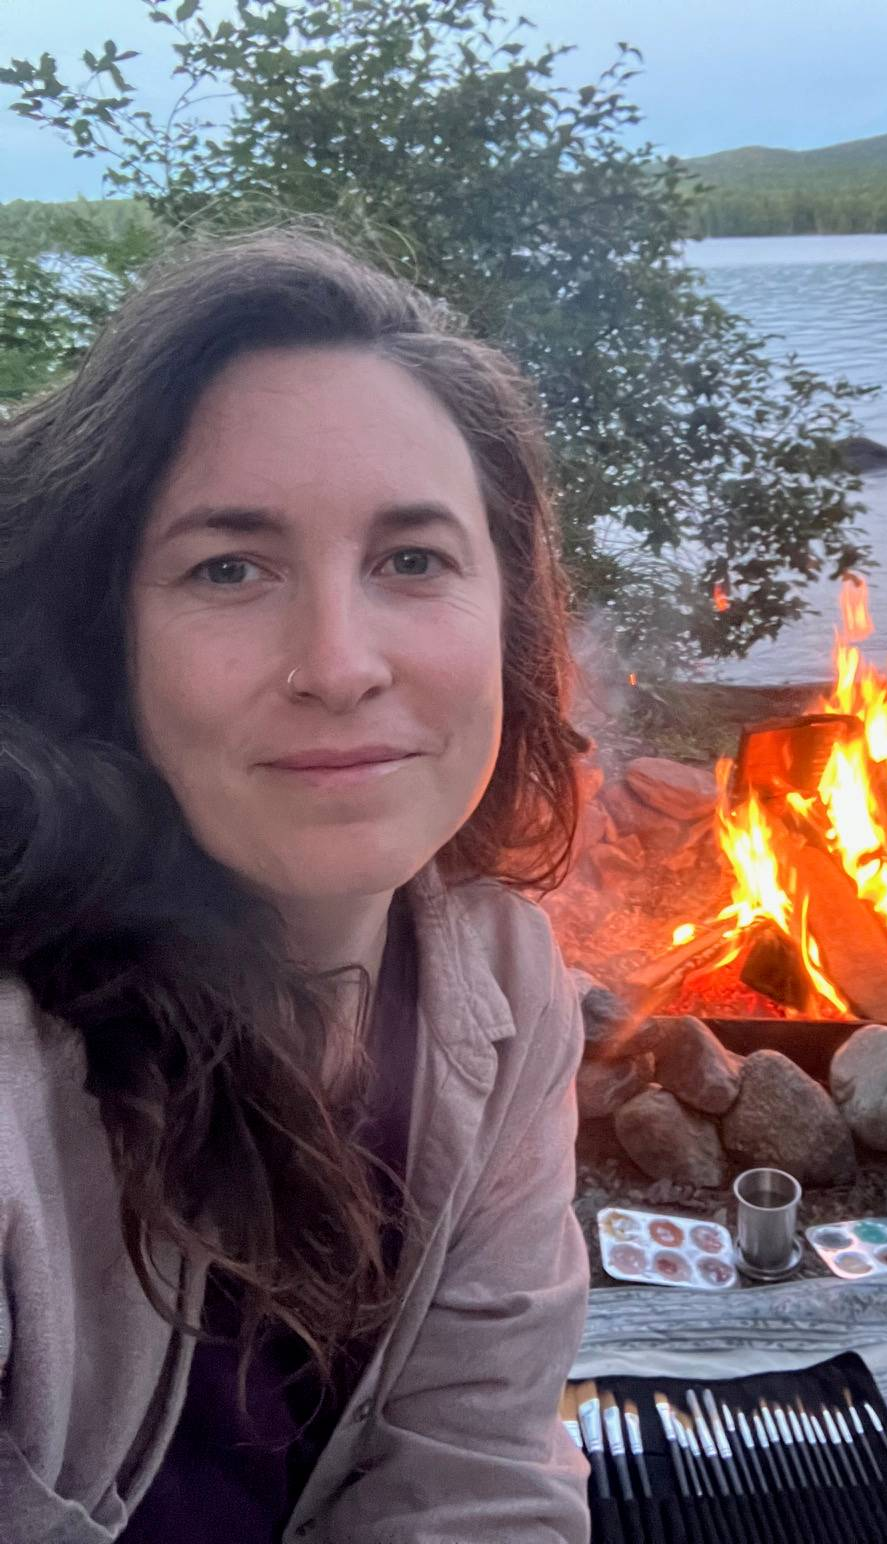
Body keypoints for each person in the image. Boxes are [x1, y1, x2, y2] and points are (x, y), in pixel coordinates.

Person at [0, 229, 592, 1542]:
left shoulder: (498, 989)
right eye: (230, 568)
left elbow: (478, 1475)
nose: (338, 662)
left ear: (510, 615)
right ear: (107, 639)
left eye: (413, 559)